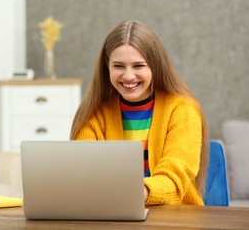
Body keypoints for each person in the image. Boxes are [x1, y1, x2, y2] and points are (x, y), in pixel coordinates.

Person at [70, 20, 209, 206]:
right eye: (119, 66)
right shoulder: (93, 113)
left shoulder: (182, 109)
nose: (128, 76)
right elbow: (82, 177)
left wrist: (132, 193)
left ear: (155, 65)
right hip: (110, 217)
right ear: (107, 64)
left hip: (174, 219)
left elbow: (174, 181)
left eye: (138, 66)